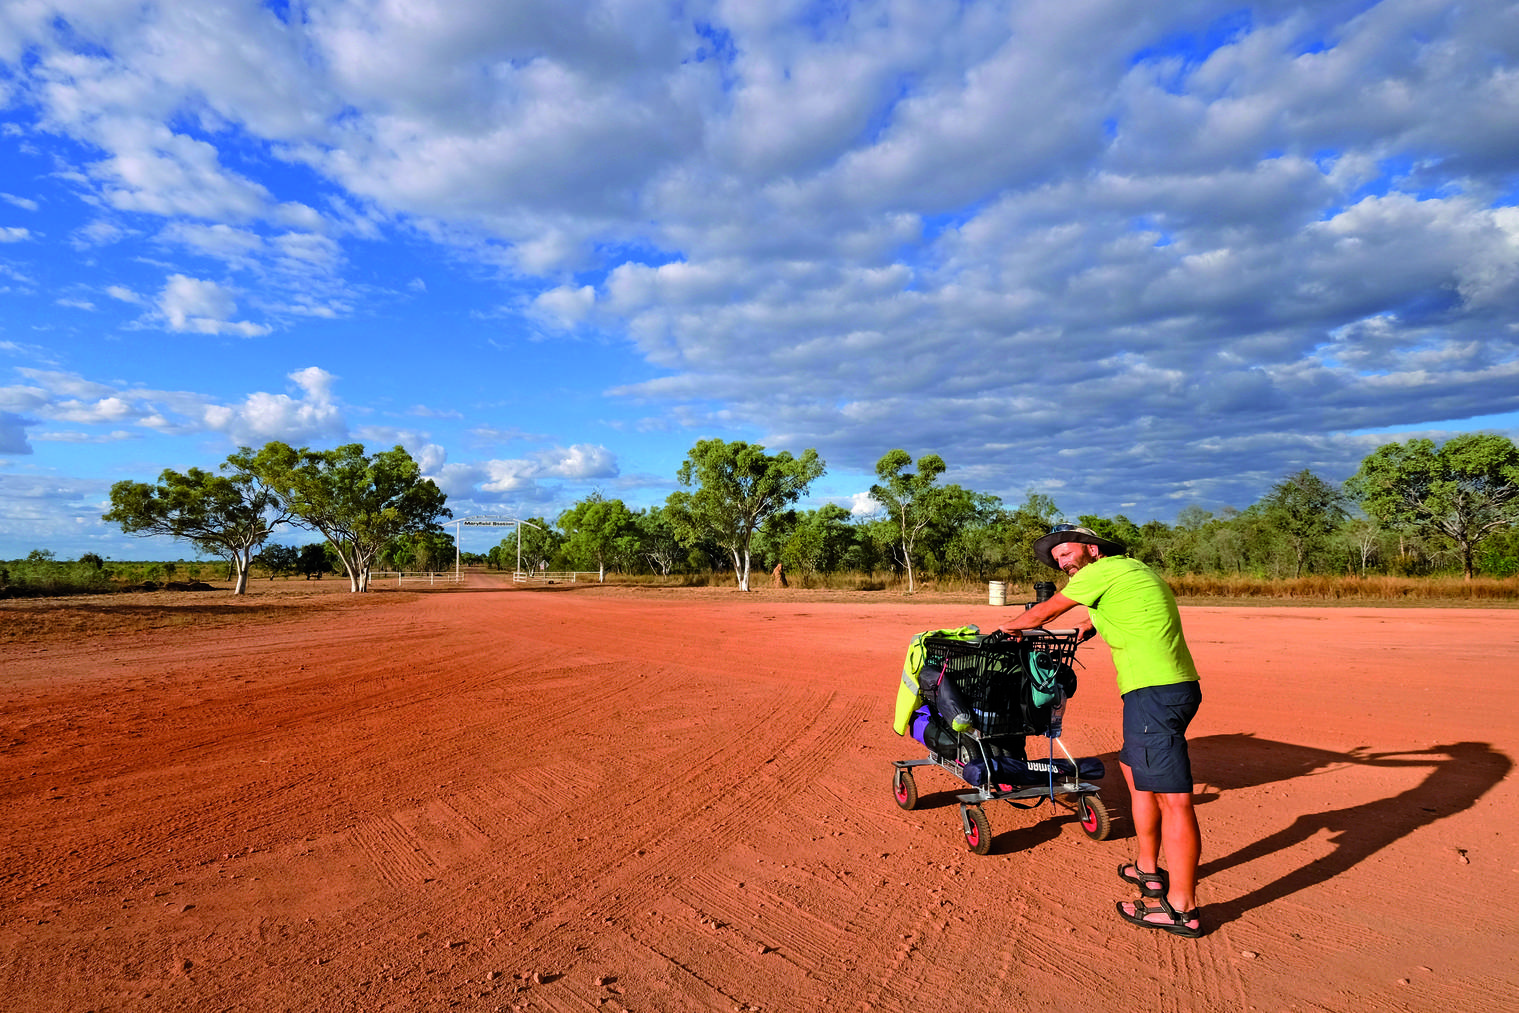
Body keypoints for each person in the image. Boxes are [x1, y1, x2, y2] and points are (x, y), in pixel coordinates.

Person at [990, 525, 1204, 938]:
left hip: (1154, 692)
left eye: (1066, 553)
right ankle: (1147, 867)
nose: (1063, 562)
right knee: (1132, 770)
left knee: (1174, 800)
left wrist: (1007, 630)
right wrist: (1091, 626)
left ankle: (1182, 908)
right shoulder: (1134, 571)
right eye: (1057, 560)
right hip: (1167, 688)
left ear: (1091, 549)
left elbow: (1045, 612)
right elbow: (1120, 607)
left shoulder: (1098, 572)